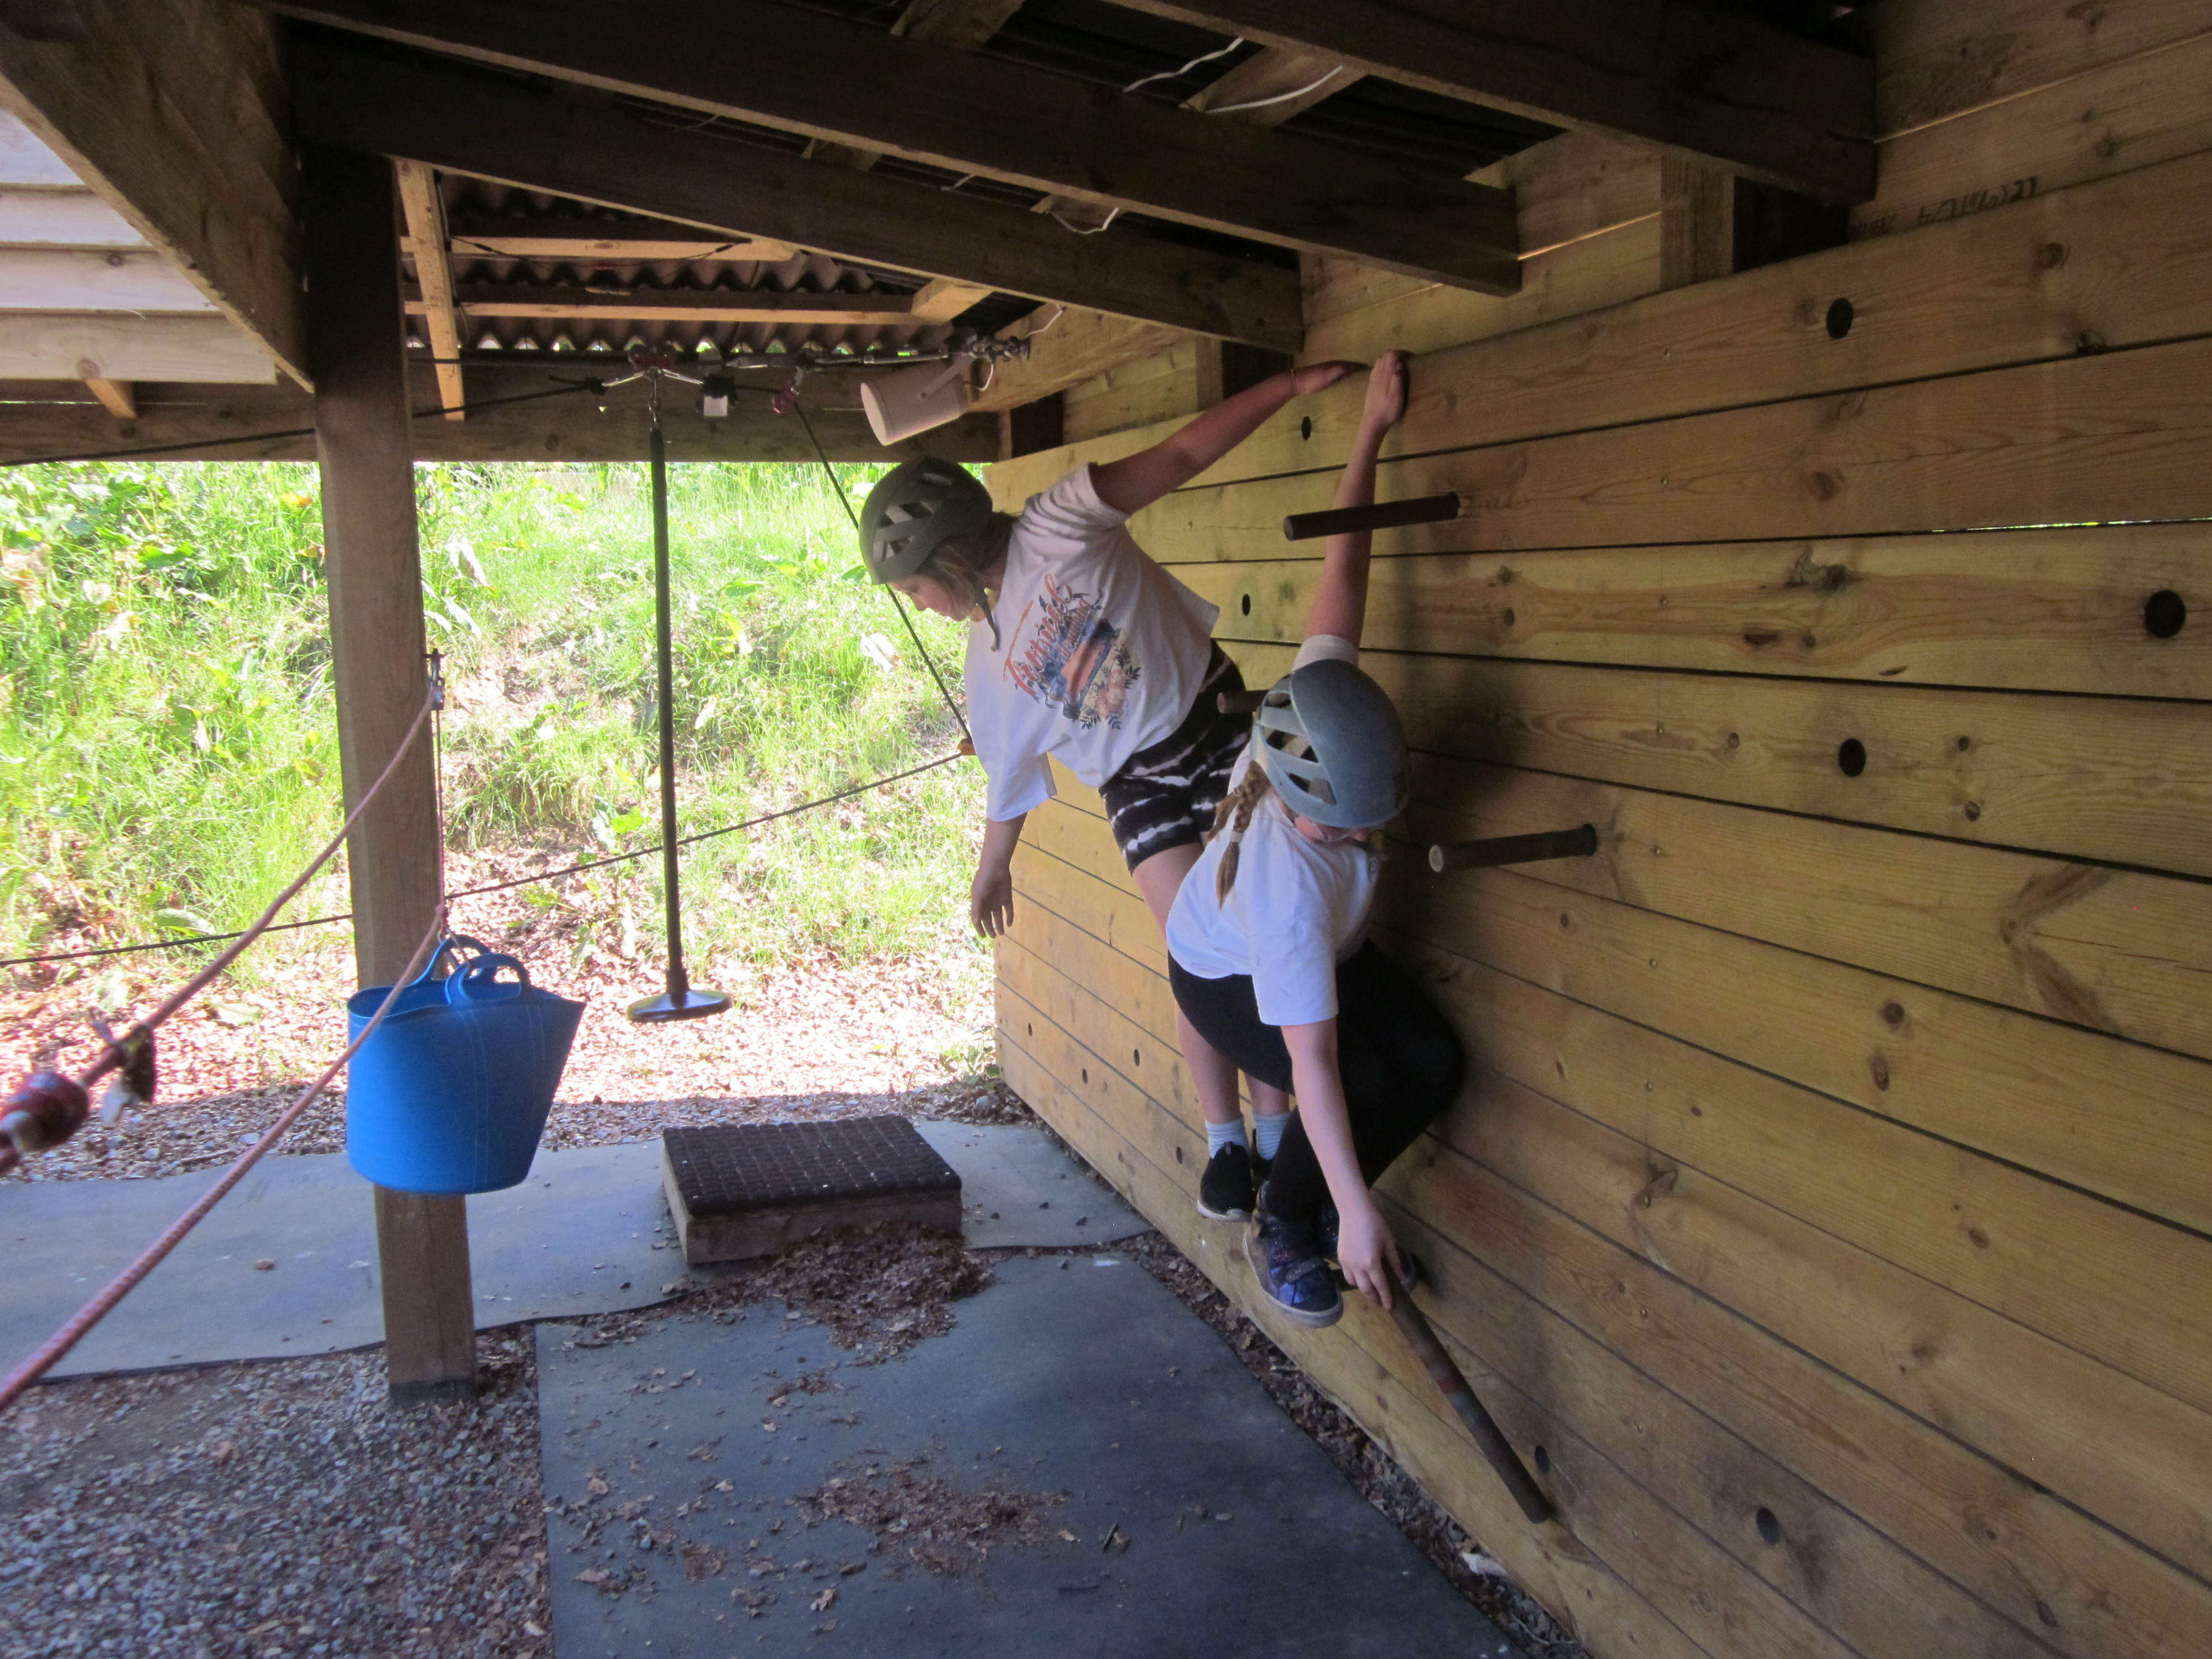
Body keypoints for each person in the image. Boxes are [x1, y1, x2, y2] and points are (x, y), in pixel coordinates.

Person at [858, 359, 1365, 1223]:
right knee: (1196, 954)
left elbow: (1179, 455)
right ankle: (1226, 1139)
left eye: (913, 588)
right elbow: (1008, 780)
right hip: (1137, 785)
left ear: (945, 557)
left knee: (1251, 934)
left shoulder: (1059, 524)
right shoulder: (985, 665)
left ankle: (1278, 1131)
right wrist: (993, 866)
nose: (920, 605)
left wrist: (1283, 389)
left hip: (1214, 724)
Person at [1163, 352, 1466, 1328]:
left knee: (1434, 1061)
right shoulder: (1290, 885)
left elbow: (1345, 566)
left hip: (1328, 943)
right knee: (1363, 1076)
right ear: (1296, 805)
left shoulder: (1318, 709)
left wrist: (1370, 429)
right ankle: (1289, 1223)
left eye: (1374, 814)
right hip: (1224, 971)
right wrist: (1360, 1211)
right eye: (1343, 824)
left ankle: (1331, 1204)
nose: (1362, 833)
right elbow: (1316, 1067)